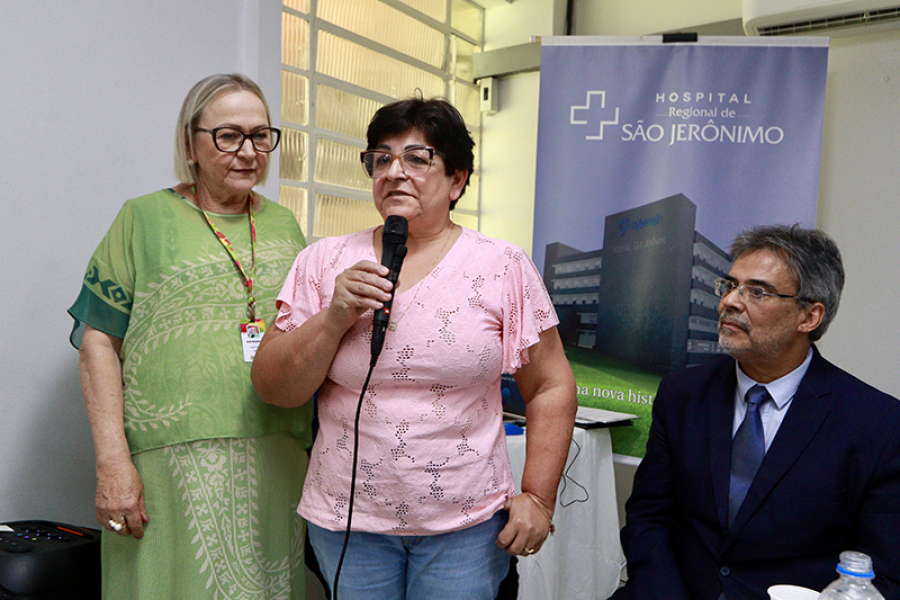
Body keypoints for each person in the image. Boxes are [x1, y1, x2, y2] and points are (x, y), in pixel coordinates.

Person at [251, 97, 577, 599]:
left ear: (457, 180)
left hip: (465, 527)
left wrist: (537, 495)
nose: (394, 172)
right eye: (381, 159)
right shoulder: (324, 261)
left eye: (417, 158)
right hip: (348, 523)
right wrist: (334, 317)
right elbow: (273, 388)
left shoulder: (502, 267)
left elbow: (551, 385)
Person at [68, 74, 312, 599]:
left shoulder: (287, 226)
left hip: (275, 461)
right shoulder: (143, 219)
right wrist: (112, 462)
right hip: (165, 471)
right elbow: (98, 344)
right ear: (190, 143)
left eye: (260, 135)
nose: (248, 151)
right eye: (229, 135)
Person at [613, 225, 900, 600]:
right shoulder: (682, 394)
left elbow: (883, 573)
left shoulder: (877, 424)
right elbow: (648, 520)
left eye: (757, 292)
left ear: (809, 317)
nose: (730, 301)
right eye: (730, 285)